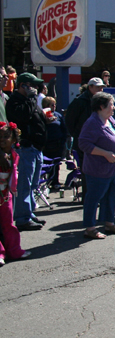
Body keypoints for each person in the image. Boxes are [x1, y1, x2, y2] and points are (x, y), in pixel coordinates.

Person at [79, 92, 115, 239]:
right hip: (97, 169)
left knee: (111, 197)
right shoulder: (92, 123)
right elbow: (83, 143)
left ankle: (109, 223)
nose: (114, 107)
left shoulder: (110, 120)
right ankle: (90, 228)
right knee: (94, 198)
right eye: (111, 104)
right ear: (101, 106)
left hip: (114, 168)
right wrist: (105, 153)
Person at [6, 72, 49, 231]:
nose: (36, 88)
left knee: (32, 184)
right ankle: (22, 218)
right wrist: (31, 99)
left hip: (35, 148)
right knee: (24, 184)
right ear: (23, 85)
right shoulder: (15, 101)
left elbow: (35, 117)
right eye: (32, 85)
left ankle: (28, 213)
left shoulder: (29, 101)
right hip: (25, 148)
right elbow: (23, 116)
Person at [0, 122, 31, 265]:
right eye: (0, 136)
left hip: (6, 195)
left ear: (13, 139)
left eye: (6, 136)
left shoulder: (13, 154)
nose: (2, 139)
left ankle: (14, 250)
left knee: (9, 224)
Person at [41, 96, 68, 189]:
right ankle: (45, 182)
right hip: (47, 144)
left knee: (56, 164)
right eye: (52, 105)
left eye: (55, 104)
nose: (54, 106)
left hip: (58, 143)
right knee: (46, 164)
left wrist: (64, 140)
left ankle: (55, 181)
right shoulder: (42, 115)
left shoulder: (58, 115)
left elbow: (63, 128)